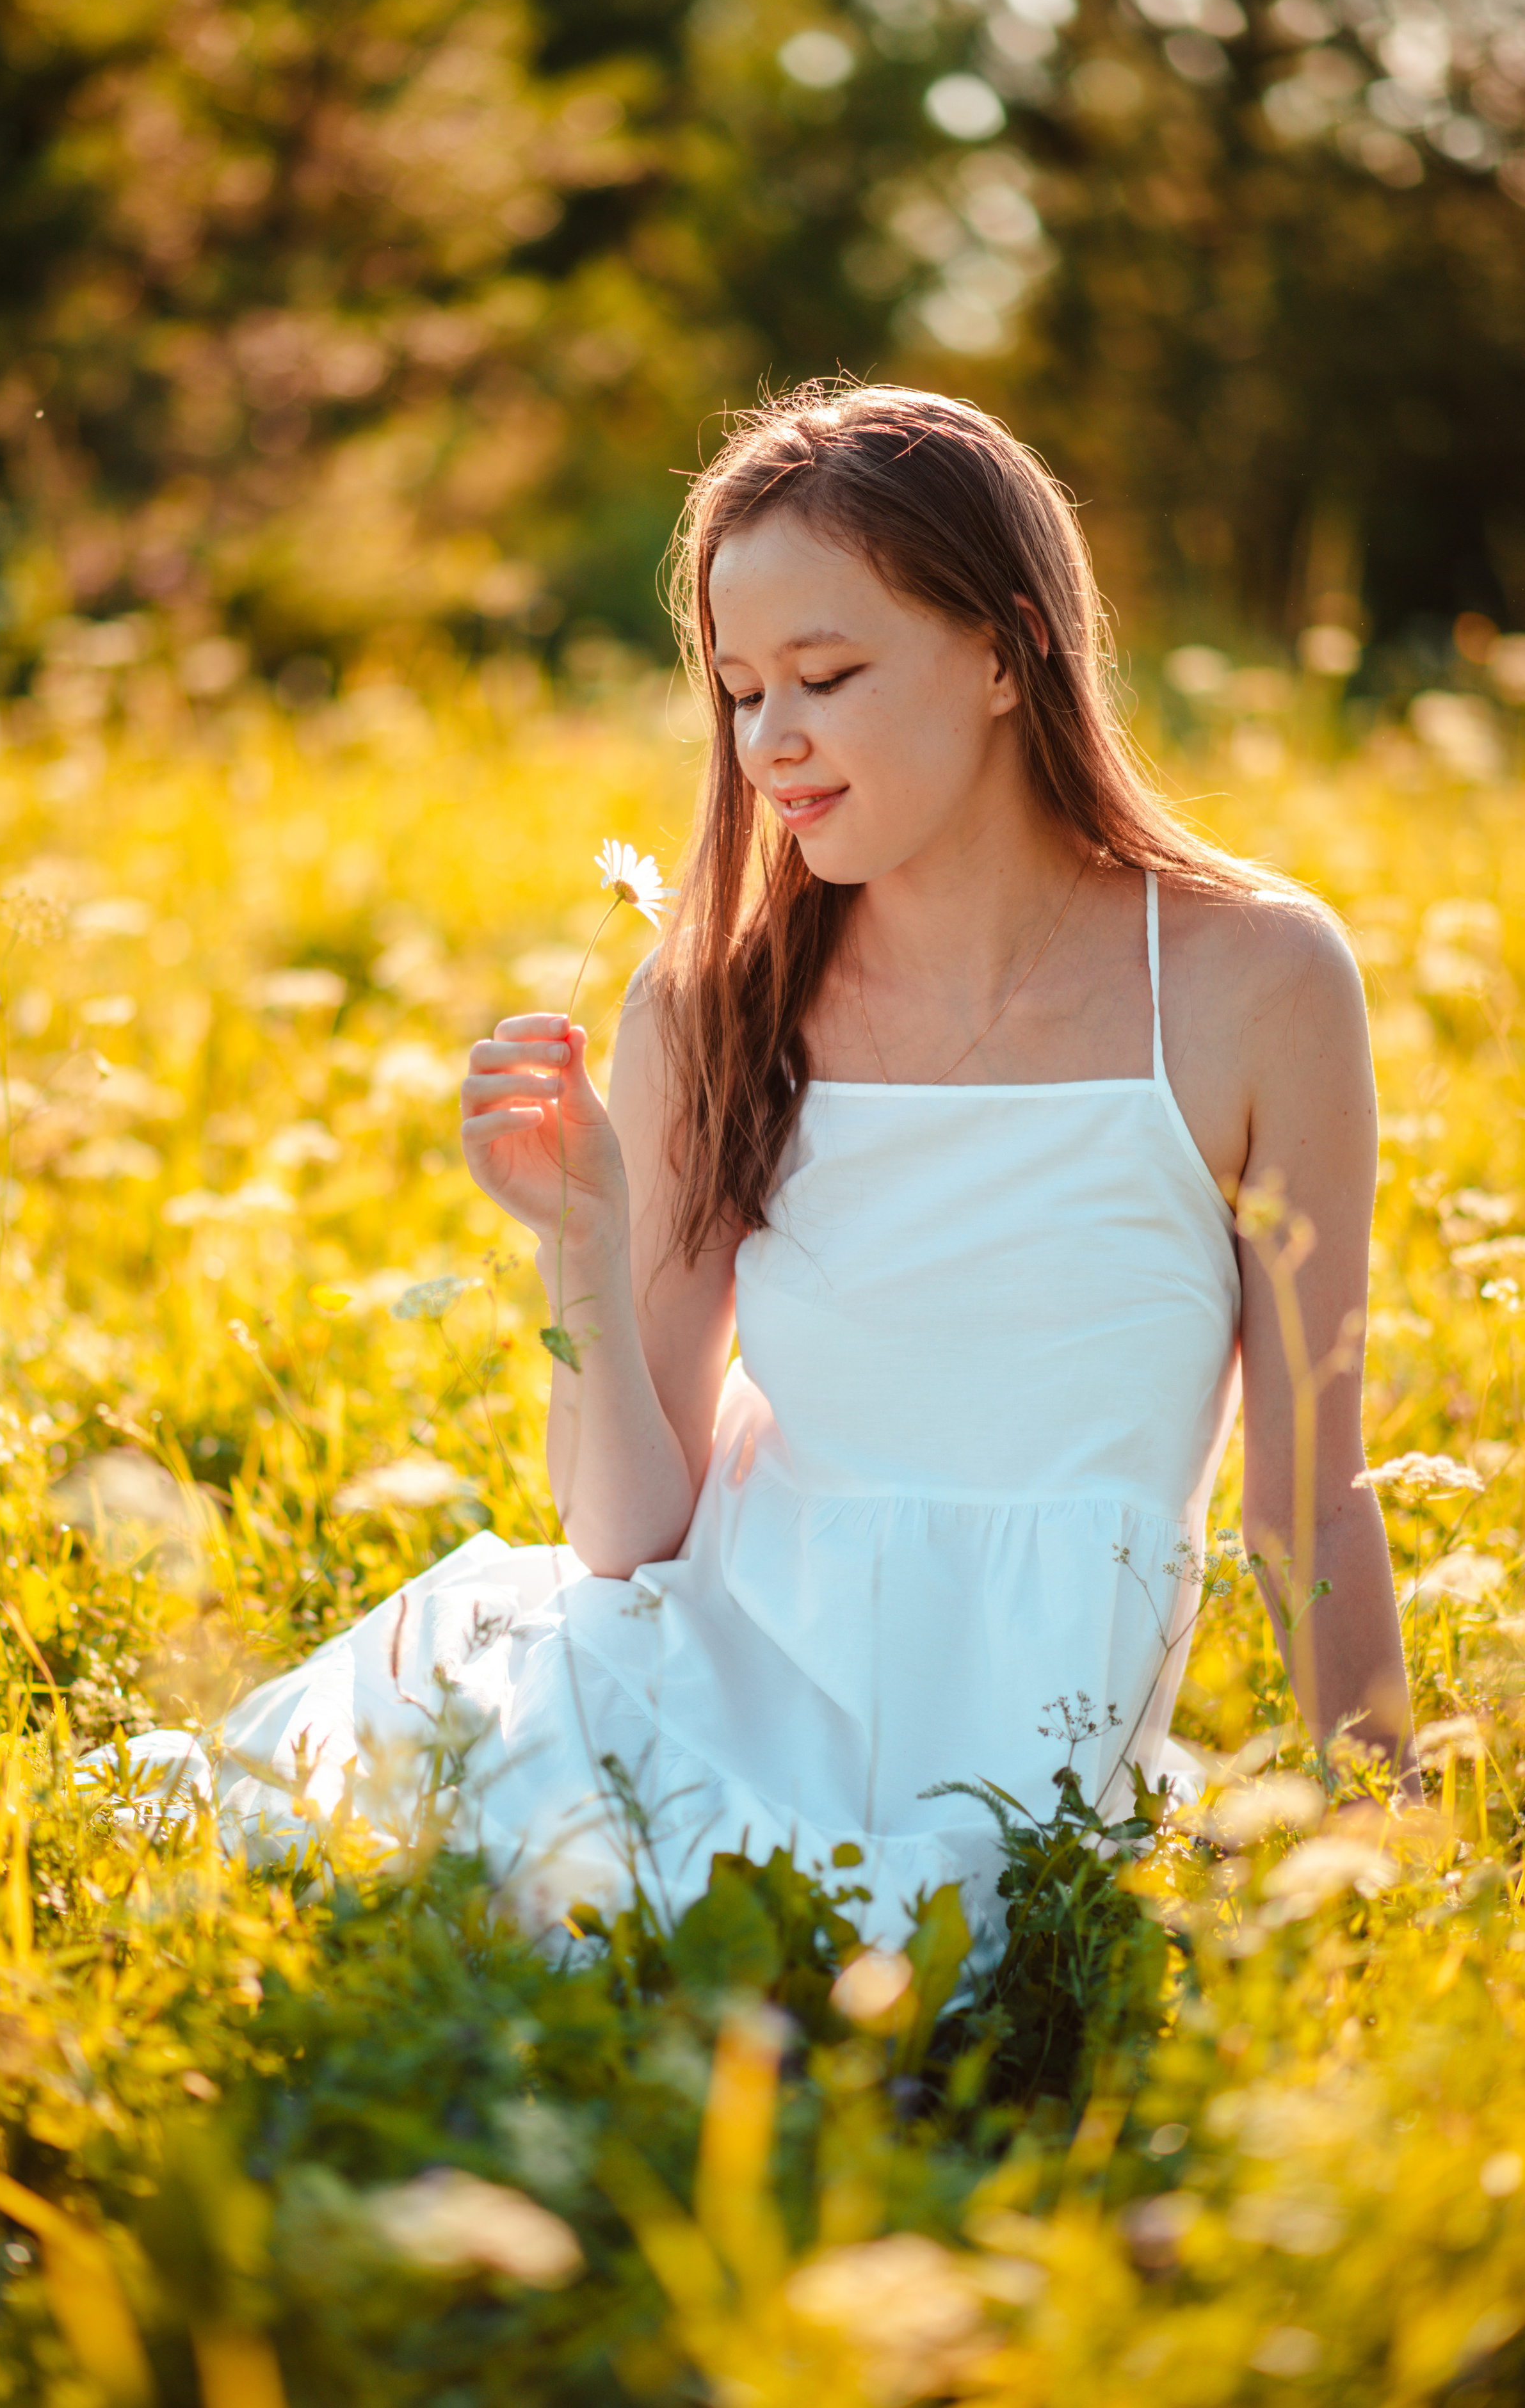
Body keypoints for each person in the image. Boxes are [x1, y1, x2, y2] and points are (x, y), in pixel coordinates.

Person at [102, 384, 1412, 1946]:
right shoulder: (717, 999)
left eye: (825, 676)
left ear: (1005, 649)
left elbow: (1307, 1507)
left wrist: (1378, 1853)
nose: (767, 743)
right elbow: (624, 1538)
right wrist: (579, 1250)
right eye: (734, 691)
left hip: (1021, 1787)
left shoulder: (1249, 983)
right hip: (693, 1698)